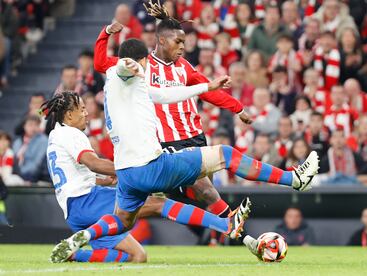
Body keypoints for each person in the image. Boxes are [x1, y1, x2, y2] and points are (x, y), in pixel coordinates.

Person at [50, 36, 319, 263]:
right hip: (151, 165)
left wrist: (206, 87)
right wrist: (128, 63)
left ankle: (84, 237)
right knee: (224, 155)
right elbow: (120, 69)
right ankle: (294, 179)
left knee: (123, 221)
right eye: (146, 63)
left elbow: (166, 95)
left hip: (127, 174)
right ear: (142, 61)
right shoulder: (122, 74)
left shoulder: (129, 87)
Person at [93, 1, 253, 244]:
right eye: (178, 42)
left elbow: (207, 90)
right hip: (166, 143)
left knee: (197, 194)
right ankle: (237, 233)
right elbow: (102, 64)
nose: (183, 47)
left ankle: (222, 232)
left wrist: (237, 107)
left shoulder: (184, 68)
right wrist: (105, 34)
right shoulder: (139, 65)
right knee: (202, 190)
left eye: (183, 43)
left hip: (194, 135)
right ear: (161, 41)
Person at [41, 92, 248, 263]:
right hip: (86, 201)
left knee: (138, 256)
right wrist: (127, 170)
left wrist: (108, 179)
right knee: (158, 203)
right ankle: (225, 225)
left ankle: (75, 253)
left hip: (75, 210)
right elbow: (93, 163)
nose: (87, 113)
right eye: (82, 109)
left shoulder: (55, 136)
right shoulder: (72, 134)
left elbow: (77, 176)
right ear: (68, 115)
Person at [12, 115, 48, 183]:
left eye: (36, 125)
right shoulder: (17, 142)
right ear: (24, 126)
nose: (33, 128)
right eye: (30, 125)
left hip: (33, 176)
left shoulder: (43, 140)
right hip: (18, 175)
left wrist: (20, 174)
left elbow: (37, 163)